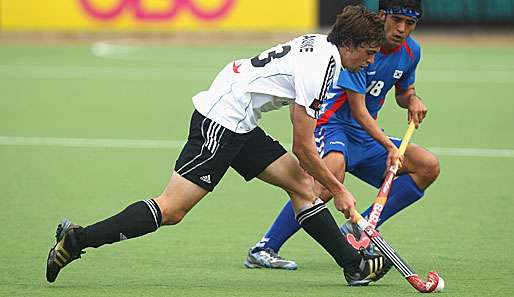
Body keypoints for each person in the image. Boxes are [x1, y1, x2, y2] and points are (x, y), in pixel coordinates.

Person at [46, 5, 389, 286]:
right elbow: (303, 146)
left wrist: (328, 186)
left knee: (301, 184)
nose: (370, 61)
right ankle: (77, 239)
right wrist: (338, 190)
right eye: (369, 53)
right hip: (222, 119)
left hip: (238, 114)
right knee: (172, 209)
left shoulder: (322, 45)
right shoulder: (322, 67)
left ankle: (354, 265)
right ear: (350, 44)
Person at [245, 0, 439, 280]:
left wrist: (413, 99)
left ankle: (360, 227)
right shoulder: (363, 48)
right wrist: (388, 146)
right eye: (396, 20)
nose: (402, 29)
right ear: (381, 15)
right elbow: (358, 110)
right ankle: (264, 248)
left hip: (366, 135)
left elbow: (402, 92)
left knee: (427, 166)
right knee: (326, 183)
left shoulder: (411, 51)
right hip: (334, 126)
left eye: (410, 24)